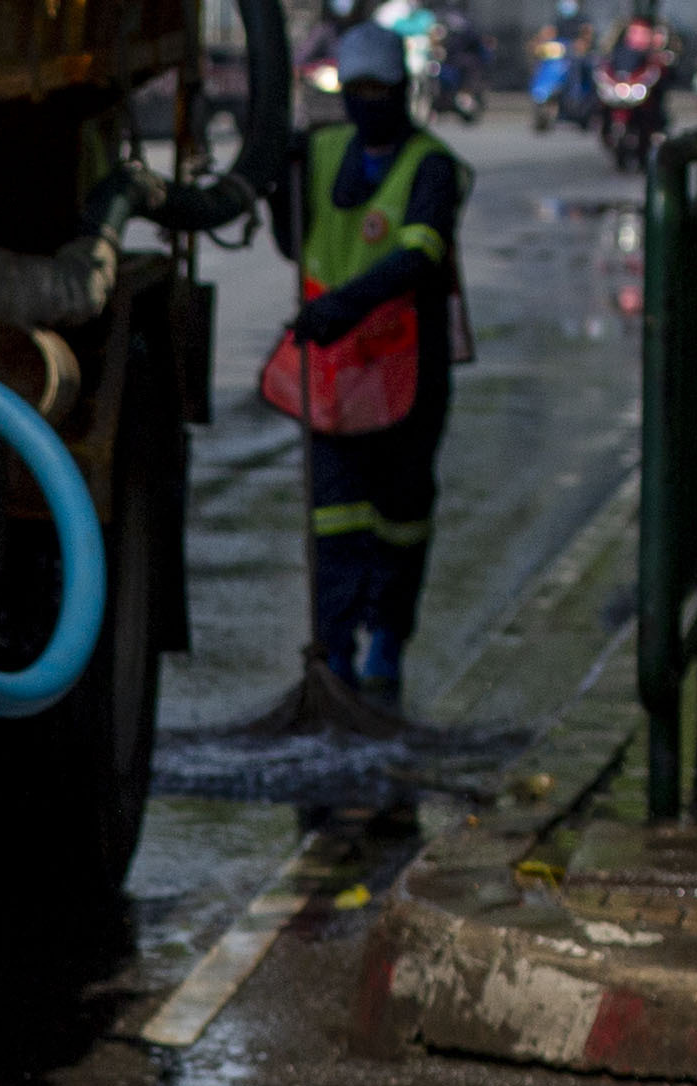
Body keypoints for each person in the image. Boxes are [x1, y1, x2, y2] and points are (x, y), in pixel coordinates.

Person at [283, 21, 473, 706]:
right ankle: (333, 653)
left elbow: (419, 254)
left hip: (406, 373)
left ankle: (386, 645)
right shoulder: (324, 151)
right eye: (356, 89)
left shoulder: (431, 165)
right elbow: (293, 231)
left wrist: (346, 305)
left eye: (380, 89)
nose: (369, 100)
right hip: (336, 375)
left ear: (402, 90)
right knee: (334, 516)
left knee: (399, 514)